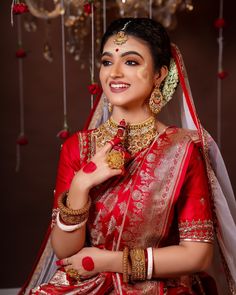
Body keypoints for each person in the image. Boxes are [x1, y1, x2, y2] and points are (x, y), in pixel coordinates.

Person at [20, 18, 236, 295]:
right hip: (88, 283)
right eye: (107, 62)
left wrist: (111, 261)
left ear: (159, 74)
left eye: (131, 62)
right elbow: (64, 250)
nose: (115, 73)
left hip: (158, 286)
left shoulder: (182, 148)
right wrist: (81, 184)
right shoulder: (79, 146)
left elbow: (197, 255)